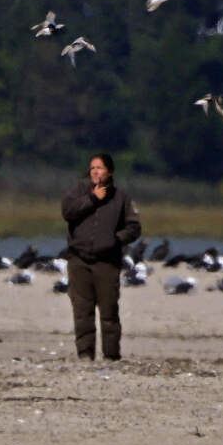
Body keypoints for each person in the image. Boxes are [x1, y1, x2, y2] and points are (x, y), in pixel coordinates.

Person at [59, 153, 141, 361]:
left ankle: (111, 355)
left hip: (107, 261)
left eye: (100, 168)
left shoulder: (121, 198)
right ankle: (85, 354)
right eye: (93, 168)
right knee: (82, 311)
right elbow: (68, 212)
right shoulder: (77, 191)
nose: (95, 171)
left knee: (109, 312)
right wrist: (93, 199)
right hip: (79, 260)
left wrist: (115, 239)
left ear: (110, 172)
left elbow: (134, 227)